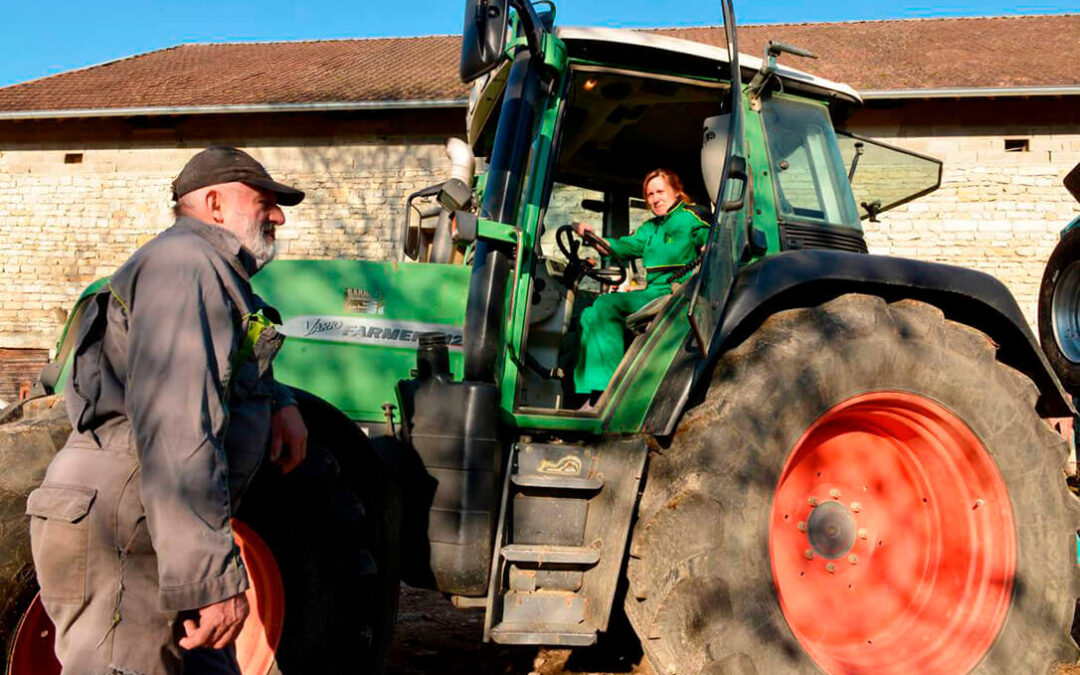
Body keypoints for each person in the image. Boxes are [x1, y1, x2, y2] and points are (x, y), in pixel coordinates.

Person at [26, 146, 309, 675]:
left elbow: (223, 367)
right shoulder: (186, 268)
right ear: (216, 203)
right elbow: (179, 429)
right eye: (265, 201)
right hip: (126, 526)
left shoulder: (209, 272)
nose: (278, 216)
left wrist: (281, 402)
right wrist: (210, 581)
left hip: (153, 520)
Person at [572, 168, 710, 402]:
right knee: (586, 313)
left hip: (675, 291)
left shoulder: (692, 218)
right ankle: (586, 394)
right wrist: (590, 236)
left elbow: (711, 241)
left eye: (660, 191)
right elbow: (620, 247)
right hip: (651, 291)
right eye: (649, 194)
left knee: (606, 304)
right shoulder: (649, 228)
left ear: (676, 192)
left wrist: (708, 248)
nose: (655, 198)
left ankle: (607, 392)